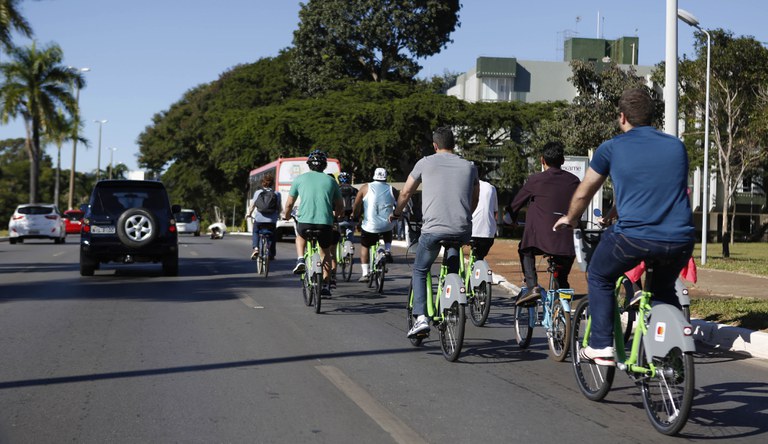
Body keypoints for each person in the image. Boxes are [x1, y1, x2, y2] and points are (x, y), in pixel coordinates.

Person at [554, 88, 695, 366]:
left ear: (622, 117)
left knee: (599, 275)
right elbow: (657, 188)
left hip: (633, 237)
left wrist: (570, 218)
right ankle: (675, 357)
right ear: (652, 117)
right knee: (663, 290)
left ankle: (601, 345)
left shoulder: (612, 148)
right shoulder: (676, 146)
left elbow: (584, 192)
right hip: (681, 239)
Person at [393, 127, 479, 338]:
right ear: (454, 144)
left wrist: (396, 212)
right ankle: (452, 303)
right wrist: (464, 216)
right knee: (452, 265)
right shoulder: (469, 166)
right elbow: (474, 198)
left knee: (421, 270)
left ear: (435, 145)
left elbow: (405, 192)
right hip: (461, 229)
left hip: (432, 230)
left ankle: (421, 318)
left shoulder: (425, 162)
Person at [508, 141, 580, 305]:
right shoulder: (574, 181)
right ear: (562, 161)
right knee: (562, 278)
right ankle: (564, 305)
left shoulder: (535, 180)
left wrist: (509, 220)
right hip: (566, 243)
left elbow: (515, 205)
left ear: (542, 160)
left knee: (524, 250)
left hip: (539, 241)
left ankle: (532, 286)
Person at [283, 150, 344, 297]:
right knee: (326, 252)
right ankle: (325, 285)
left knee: (300, 236)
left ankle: (300, 259)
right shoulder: (331, 181)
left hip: (305, 222)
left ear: (309, 165)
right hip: (325, 224)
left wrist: (286, 216)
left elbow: (290, 203)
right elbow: (340, 205)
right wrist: (339, 215)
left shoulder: (299, 179)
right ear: (324, 166)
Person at [352, 167, 398, 282]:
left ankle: (365, 273)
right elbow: (400, 204)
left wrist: (355, 216)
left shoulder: (365, 188)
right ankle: (387, 250)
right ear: (385, 177)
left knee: (365, 246)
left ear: (374, 175)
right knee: (388, 228)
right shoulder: (393, 189)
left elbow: (357, 205)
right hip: (387, 225)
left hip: (370, 226)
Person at [246, 174, 281, 260]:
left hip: (259, 219)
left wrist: (248, 214)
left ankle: (256, 248)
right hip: (272, 220)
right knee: (273, 235)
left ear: (263, 183)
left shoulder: (258, 192)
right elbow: (279, 207)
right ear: (272, 183)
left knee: (256, 231)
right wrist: (279, 215)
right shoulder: (277, 194)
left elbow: (252, 205)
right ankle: (272, 254)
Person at [471, 174, 498, 260]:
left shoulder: (466, 186)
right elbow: (495, 213)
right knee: (480, 258)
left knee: (454, 248)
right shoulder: (491, 188)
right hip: (488, 234)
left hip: (469, 232)